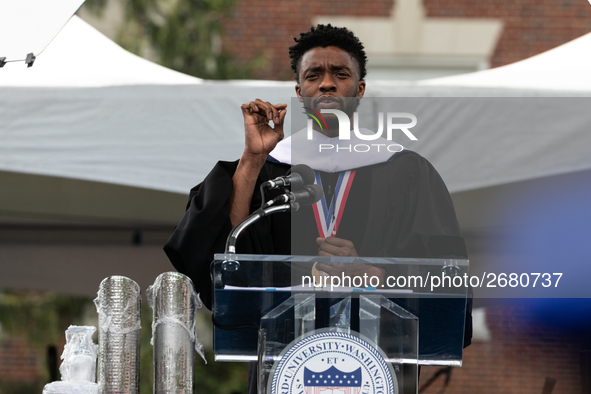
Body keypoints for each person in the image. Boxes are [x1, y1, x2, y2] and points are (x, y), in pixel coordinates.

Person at [164, 24, 471, 390]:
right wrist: (252, 158)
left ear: (359, 91)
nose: (327, 84)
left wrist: (374, 275)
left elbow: (447, 278)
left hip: (377, 369)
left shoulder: (405, 170)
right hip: (281, 370)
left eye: (340, 74)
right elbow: (225, 258)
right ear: (299, 92)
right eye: (314, 75)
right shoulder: (265, 168)